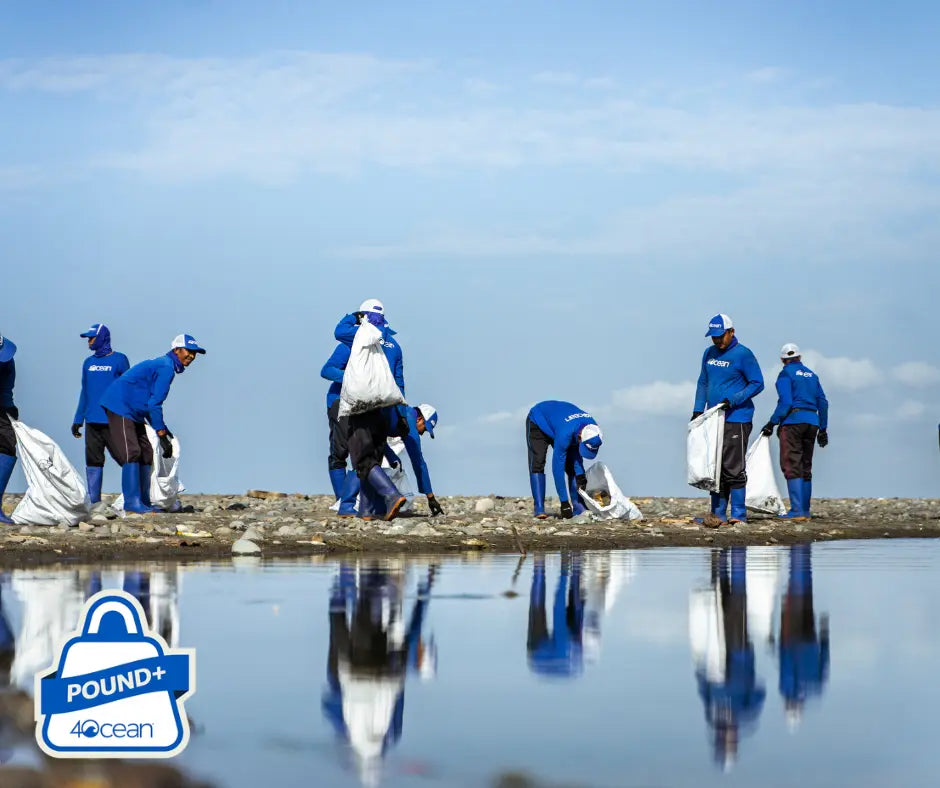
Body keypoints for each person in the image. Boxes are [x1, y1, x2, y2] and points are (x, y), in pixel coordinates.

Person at [322, 561, 436, 786]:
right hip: (360, 674)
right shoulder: (365, 733)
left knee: (377, 619)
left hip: (377, 676)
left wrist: (425, 591)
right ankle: (350, 582)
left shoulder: (368, 733)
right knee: (357, 620)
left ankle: (352, 580)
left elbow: (408, 640)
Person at [99, 334, 205, 514]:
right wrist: (161, 434)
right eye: (189, 351)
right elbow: (154, 404)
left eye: (195, 353)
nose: (192, 356)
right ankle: (132, 503)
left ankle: (144, 502)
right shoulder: (166, 368)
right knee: (132, 452)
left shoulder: (165, 365)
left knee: (147, 452)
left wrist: (162, 430)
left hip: (135, 410)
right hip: (120, 406)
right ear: (176, 350)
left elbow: (149, 404)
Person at [322, 299, 404, 500]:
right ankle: (350, 502)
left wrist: (355, 381)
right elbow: (399, 384)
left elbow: (327, 369)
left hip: (352, 402)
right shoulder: (392, 346)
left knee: (346, 454)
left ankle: (347, 503)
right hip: (357, 404)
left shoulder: (358, 339)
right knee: (357, 453)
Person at [692, 548, 766, 771]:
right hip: (738, 655)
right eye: (728, 742)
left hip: (734, 655)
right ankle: (728, 560)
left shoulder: (715, 714)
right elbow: (759, 690)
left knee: (725, 604)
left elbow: (703, 686)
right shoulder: (746, 714)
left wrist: (704, 667)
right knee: (730, 605)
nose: (727, 737)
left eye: (725, 742)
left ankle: (723, 561)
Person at [692, 314, 764, 525]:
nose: (716, 340)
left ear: (731, 332)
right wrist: (698, 410)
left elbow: (757, 383)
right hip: (713, 419)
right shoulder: (709, 353)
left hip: (737, 417)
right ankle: (718, 514)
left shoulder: (743, 354)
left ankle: (739, 515)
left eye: (720, 336)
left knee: (733, 465)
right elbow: (703, 383)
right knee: (715, 467)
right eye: (713, 337)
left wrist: (733, 400)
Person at [760, 344, 829, 520]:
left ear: (783, 360)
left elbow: (786, 402)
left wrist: (772, 422)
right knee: (806, 466)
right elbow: (823, 402)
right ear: (800, 357)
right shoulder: (812, 376)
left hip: (793, 422)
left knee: (792, 464)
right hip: (812, 422)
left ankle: (797, 511)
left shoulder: (785, 374)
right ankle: (805, 510)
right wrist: (823, 428)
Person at [338, 403, 443, 518]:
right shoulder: (409, 423)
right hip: (362, 419)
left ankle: (365, 511)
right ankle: (350, 506)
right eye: (425, 428)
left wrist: (391, 456)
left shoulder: (402, 412)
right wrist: (430, 497)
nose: (422, 433)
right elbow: (418, 463)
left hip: (368, 420)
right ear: (419, 419)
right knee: (362, 461)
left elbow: (381, 434)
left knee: (369, 462)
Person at [70, 323, 131, 504]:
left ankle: (134, 498)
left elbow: (128, 388)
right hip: (92, 421)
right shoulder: (88, 363)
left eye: (92, 337)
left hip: (114, 420)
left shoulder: (120, 360)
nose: (89, 341)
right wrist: (78, 419)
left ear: (103, 337)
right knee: (93, 461)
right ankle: (94, 502)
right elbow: (85, 391)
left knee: (126, 459)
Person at [778, 544, 829, 731]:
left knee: (803, 596)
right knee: (797, 594)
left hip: (808, 640)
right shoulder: (804, 688)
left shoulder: (812, 688)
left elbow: (824, 662)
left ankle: (800, 557)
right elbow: (785, 662)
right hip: (794, 640)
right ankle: (800, 557)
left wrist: (824, 636)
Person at [526, 401, 603, 519]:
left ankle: (578, 505)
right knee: (538, 462)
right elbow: (557, 469)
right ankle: (539, 507)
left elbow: (577, 457)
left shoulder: (593, 429)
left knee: (572, 466)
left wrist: (581, 475)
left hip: (560, 423)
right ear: (580, 437)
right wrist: (564, 502)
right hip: (539, 420)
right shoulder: (565, 434)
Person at [527, 553, 585, 678]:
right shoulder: (575, 645)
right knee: (575, 599)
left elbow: (558, 609)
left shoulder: (569, 645)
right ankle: (541, 565)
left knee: (540, 610)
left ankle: (539, 565)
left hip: (539, 654)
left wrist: (564, 571)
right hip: (541, 660)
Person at [0, 332, 19, 525]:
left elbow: (6, 389)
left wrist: (10, 409)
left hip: (1, 408)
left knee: (8, 445)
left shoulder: (8, 362)